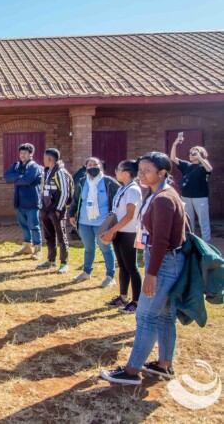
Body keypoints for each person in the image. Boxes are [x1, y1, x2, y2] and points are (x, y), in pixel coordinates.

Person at [100, 152, 187, 385]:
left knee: (146, 317)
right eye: (140, 170)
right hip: (169, 261)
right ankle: (164, 365)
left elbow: (160, 240)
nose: (141, 174)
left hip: (164, 262)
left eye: (147, 170)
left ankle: (131, 371)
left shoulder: (163, 199)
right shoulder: (162, 194)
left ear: (162, 173)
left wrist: (151, 273)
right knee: (165, 316)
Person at [70, 157, 121, 286]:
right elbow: (76, 200)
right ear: (85, 168)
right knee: (88, 248)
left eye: (95, 164)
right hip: (84, 221)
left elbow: (120, 195)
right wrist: (72, 214)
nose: (92, 166)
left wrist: (115, 215)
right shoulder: (82, 182)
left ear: (101, 166)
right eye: (90, 165)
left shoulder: (109, 182)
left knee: (105, 248)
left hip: (102, 222)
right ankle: (86, 272)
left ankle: (110, 276)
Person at [100, 160, 143, 314]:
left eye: (118, 169)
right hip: (119, 231)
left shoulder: (133, 190)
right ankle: (123, 297)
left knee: (132, 267)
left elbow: (130, 215)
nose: (115, 171)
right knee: (123, 266)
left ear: (126, 173)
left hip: (128, 233)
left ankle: (137, 302)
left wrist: (112, 230)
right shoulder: (123, 188)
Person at [4, 143, 43, 259]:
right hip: (19, 201)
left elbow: (26, 180)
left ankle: (37, 249)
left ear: (31, 154)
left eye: (25, 153)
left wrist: (17, 178)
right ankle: (27, 246)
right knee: (23, 225)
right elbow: (7, 177)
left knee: (34, 226)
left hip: (32, 201)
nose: (22, 155)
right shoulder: (16, 165)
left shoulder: (34, 167)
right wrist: (19, 176)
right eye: (21, 153)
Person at [171, 135, 213, 242]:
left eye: (194, 153)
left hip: (200, 197)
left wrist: (200, 158)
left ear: (200, 154)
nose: (191, 155)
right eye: (190, 153)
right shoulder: (186, 165)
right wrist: (175, 144)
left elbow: (209, 168)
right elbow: (173, 158)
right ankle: (191, 242)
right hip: (186, 196)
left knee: (203, 222)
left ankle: (206, 245)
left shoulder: (203, 166)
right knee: (188, 222)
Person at [37, 149, 72, 273]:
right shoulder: (46, 172)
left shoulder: (61, 172)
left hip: (56, 210)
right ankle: (51, 260)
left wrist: (58, 209)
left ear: (50, 159)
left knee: (61, 236)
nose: (43, 159)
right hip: (46, 209)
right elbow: (43, 190)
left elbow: (65, 192)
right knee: (49, 235)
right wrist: (42, 206)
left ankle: (64, 263)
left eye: (44, 157)